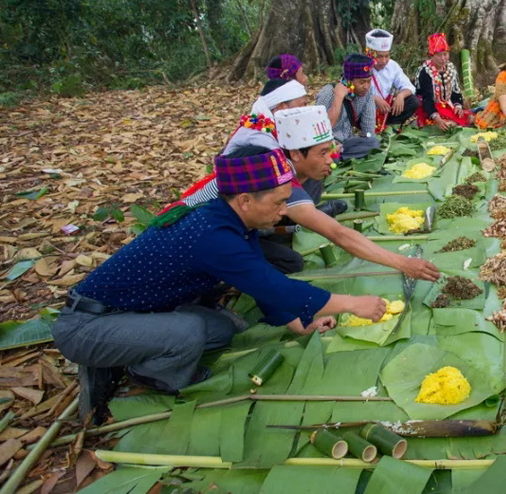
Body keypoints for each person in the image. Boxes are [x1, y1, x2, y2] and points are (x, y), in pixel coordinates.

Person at [54, 147, 391, 424]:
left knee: (221, 329)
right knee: (188, 333)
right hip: (87, 325)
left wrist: (299, 323)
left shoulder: (230, 220)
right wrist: (351, 302)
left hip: (133, 313)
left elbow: (260, 280)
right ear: (245, 200)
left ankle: (142, 346)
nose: (284, 211)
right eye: (277, 202)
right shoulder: (213, 235)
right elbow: (276, 287)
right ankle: (142, 371)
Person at [170, 106, 440, 281]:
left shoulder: (284, 164)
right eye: (323, 153)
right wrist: (403, 263)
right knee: (288, 264)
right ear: (296, 154)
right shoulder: (275, 177)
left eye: (330, 150)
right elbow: (338, 234)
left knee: (290, 251)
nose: (331, 160)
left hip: (231, 226)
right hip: (192, 235)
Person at [315, 53, 380, 158]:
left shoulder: (367, 93)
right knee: (329, 156)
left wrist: (368, 138)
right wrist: (339, 98)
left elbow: (369, 130)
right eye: (362, 82)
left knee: (373, 144)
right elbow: (320, 131)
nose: (366, 86)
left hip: (346, 142)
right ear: (349, 80)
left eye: (369, 81)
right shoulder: (328, 93)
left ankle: (340, 156)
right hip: (327, 144)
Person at [364, 28, 419, 131]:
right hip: (366, 109)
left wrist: (401, 96)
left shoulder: (392, 65)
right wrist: (374, 98)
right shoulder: (360, 66)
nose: (384, 61)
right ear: (370, 54)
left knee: (413, 101)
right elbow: (351, 91)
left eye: (387, 56)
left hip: (386, 110)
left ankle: (391, 126)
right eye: (379, 57)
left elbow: (409, 86)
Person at [415, 33, 472, 131]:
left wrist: (458, 105)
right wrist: (437, 118)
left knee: (469, 117)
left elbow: (455, 91)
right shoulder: (425, 72)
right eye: (438, 55)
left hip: (447, 105)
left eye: (445, 54)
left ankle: (451, 122)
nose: (443, 59)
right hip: (429, 108)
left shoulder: (451, 68)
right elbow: (426, 99)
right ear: (431, 56)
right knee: (444, 124)